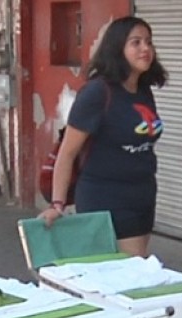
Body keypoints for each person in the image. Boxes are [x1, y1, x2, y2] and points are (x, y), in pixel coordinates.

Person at [39, 16, 168, 258]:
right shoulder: (97, 92)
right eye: (136, 42)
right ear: (117, 47)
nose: (146, 49)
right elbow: (67, 153)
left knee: (130, 269)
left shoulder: (142, 90)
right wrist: (58, 204)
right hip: (106, 196)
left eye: (149, 42)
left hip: (143, 194)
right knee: (131, 273)